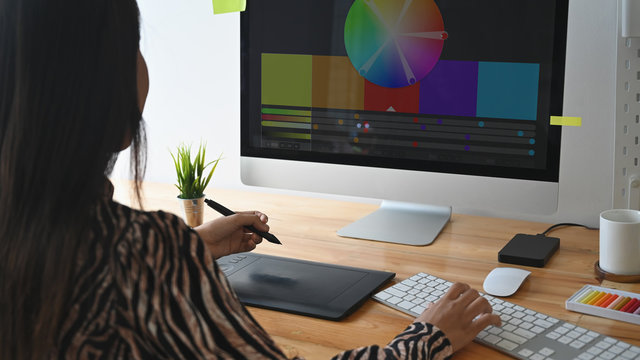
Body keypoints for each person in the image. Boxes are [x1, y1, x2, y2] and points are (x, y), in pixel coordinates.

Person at [0, 0, 501, 359]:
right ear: (97, 86)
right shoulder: (135, 258)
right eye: (133, 47)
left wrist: (189, 249)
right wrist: (428, 338)